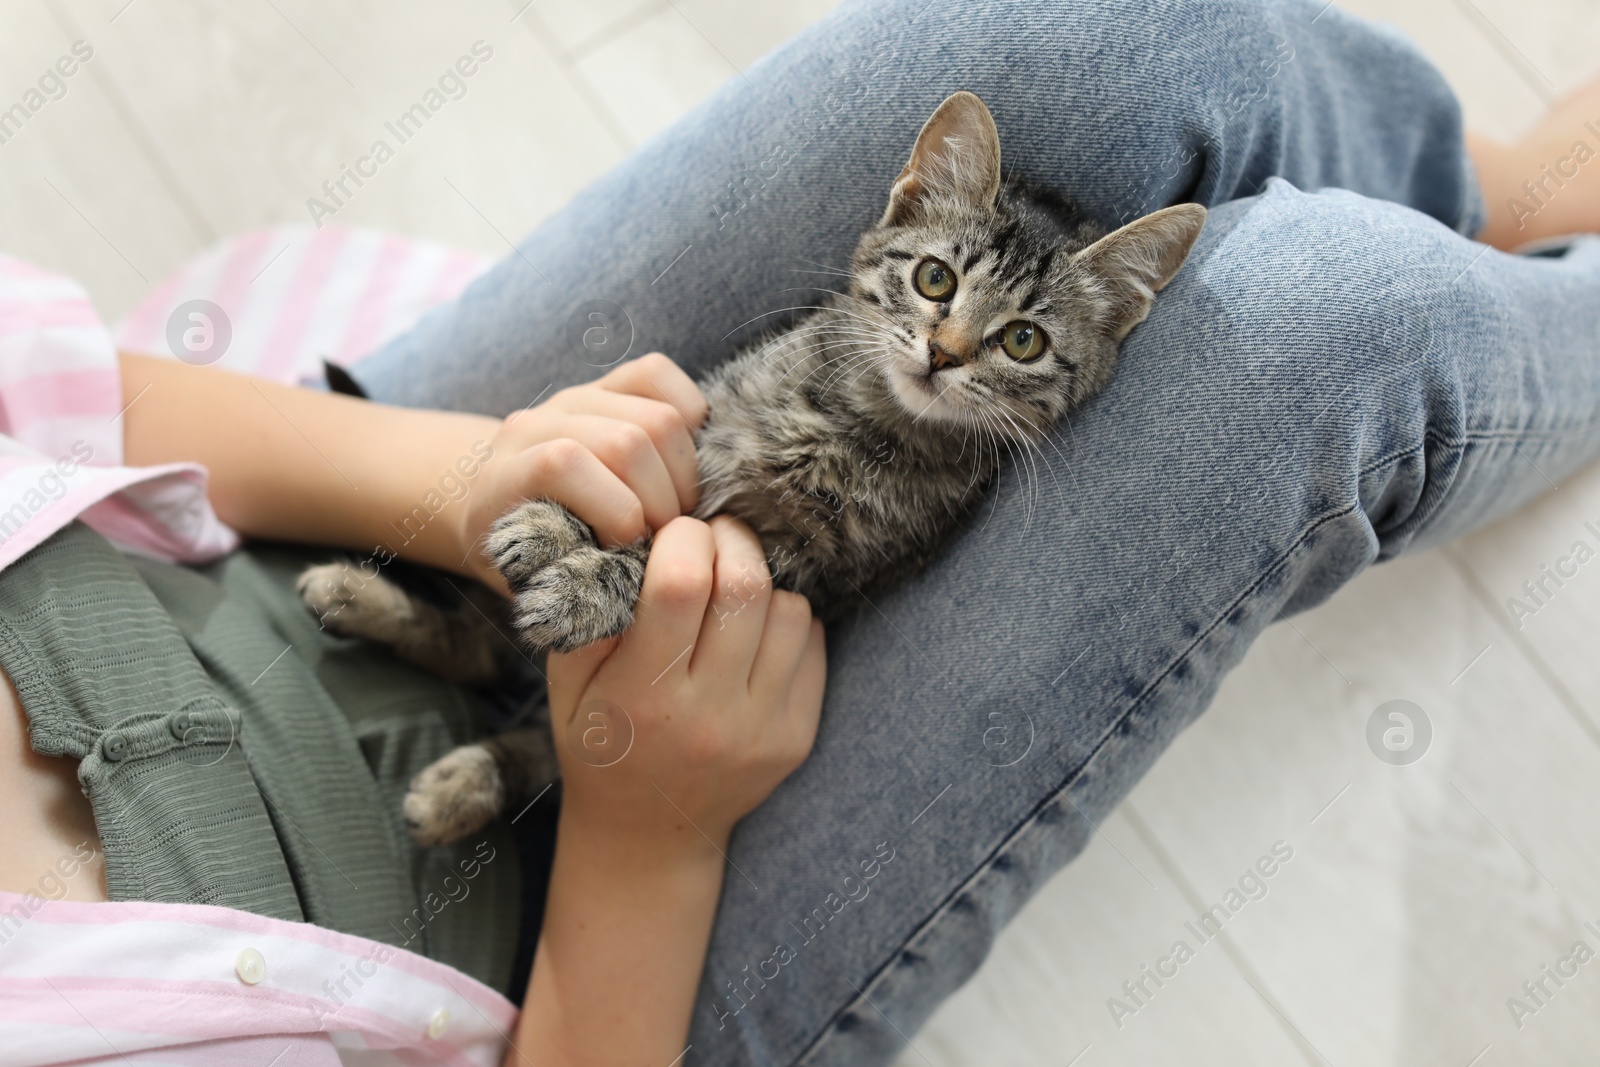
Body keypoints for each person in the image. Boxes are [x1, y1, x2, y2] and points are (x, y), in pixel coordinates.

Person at [3, 0, 1599, 1064]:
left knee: (1122, 35)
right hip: (583, 953)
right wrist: (647, 838)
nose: (959, 344)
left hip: (311, 527)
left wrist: (468, 471)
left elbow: (54, 390)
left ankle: (1487, 188)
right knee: (1330, 335)